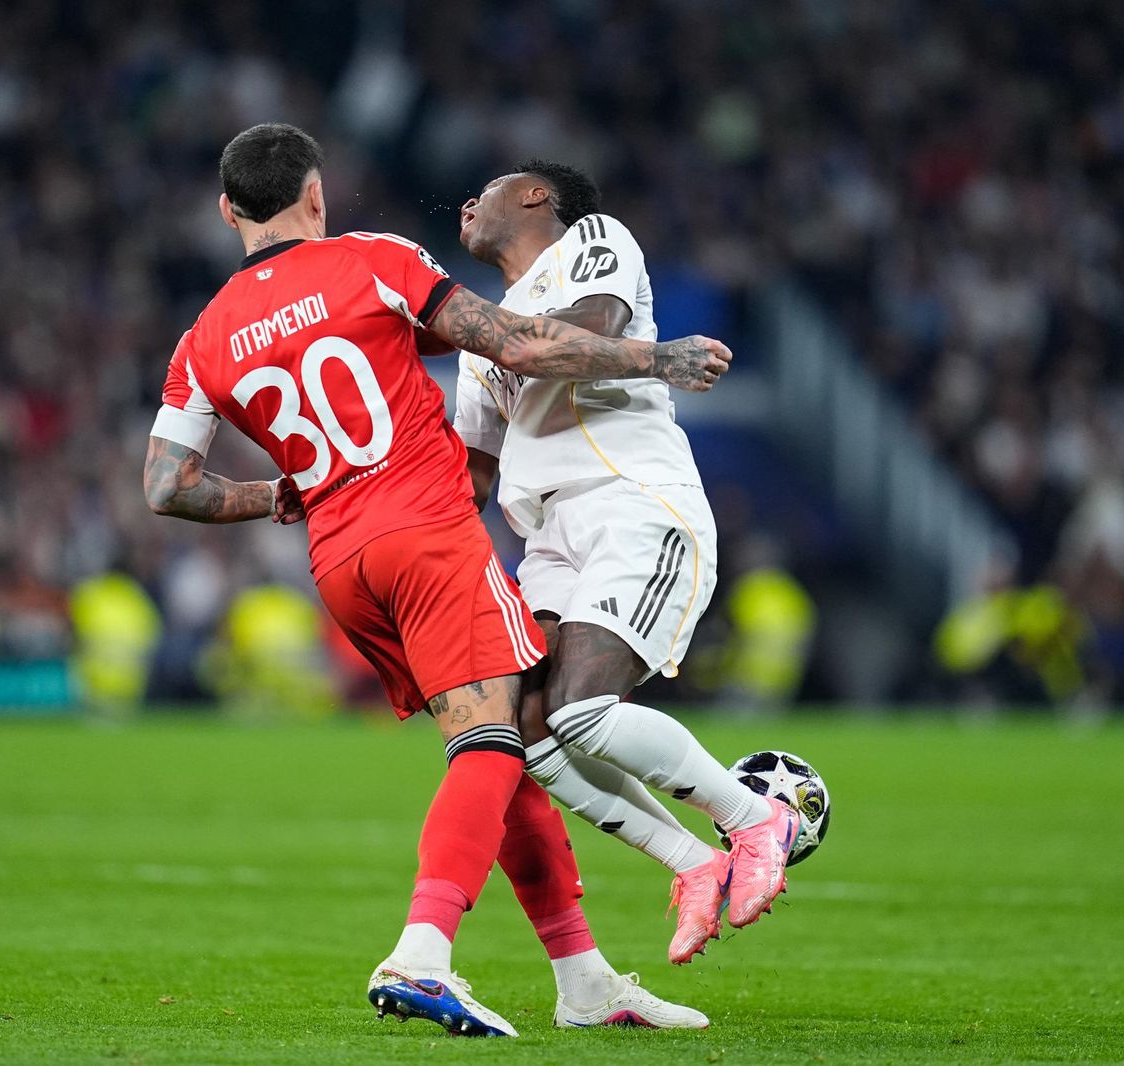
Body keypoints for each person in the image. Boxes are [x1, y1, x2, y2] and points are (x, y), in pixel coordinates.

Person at [142, 124, 731, 1037]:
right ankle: (422, 954)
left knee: (501, 752)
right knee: (496, 744)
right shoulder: (375, 259)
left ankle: (584, 981)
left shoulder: (201, 337)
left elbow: (166, 486)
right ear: (315, 197)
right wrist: (658, 357)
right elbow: (521, 346)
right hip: (424, 532)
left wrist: (278, 494)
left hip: (339, 563)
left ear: (227, 211)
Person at [453, 162, 802, 966]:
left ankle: (754, 818)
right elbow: (471, 469)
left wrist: (652, 359)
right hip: (548, 535)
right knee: (525, 730)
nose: (469, 204)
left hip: (630, 500)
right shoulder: (483, 334)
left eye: (491, 191)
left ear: (538, 198)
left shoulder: (594, 241)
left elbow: (585, 335)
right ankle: (695, 863)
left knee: (579, 711)